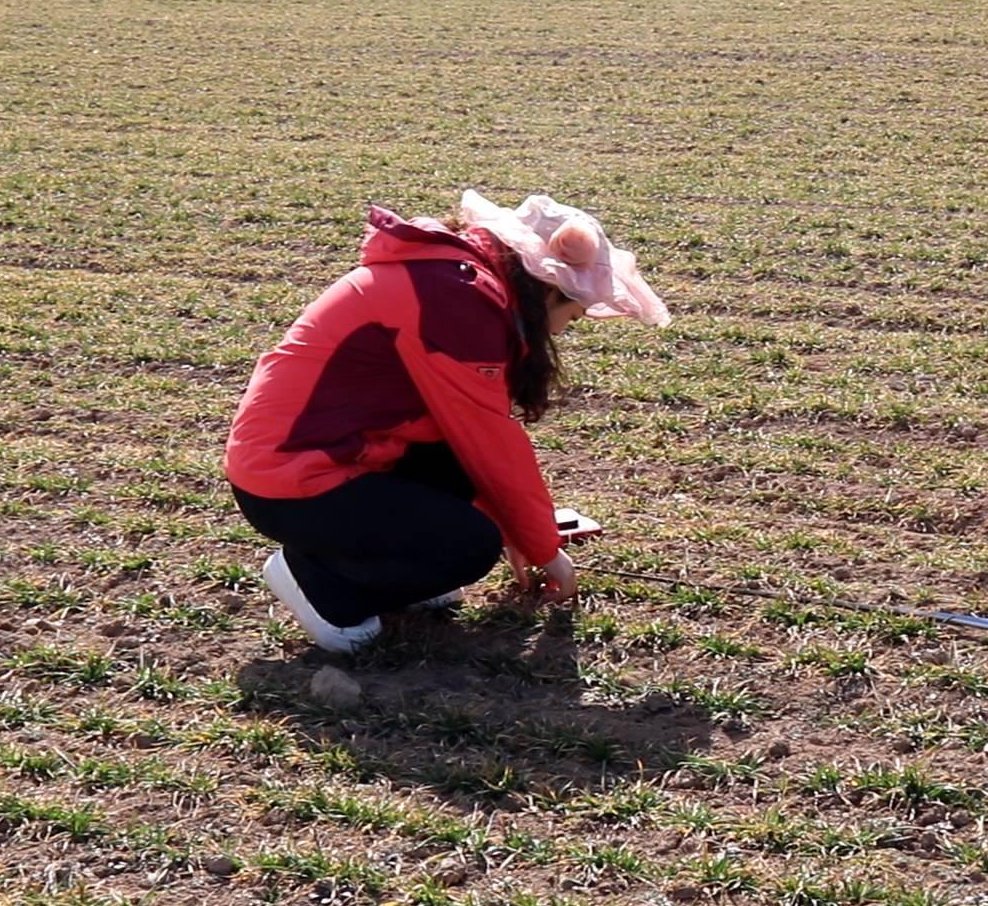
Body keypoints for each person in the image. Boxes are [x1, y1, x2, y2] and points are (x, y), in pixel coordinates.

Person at [224, 190, 669, 651]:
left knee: (460, 494)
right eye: (570, 317)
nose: (559, 332)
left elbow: (462, 435)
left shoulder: (456, 281)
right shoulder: (456, 299)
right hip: (291, 479)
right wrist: (542, 547)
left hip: (330, 454)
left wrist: (519, 527)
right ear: (547, 289)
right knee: (467, 547)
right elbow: (489, 439)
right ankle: (320, 584)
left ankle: (385, 568)